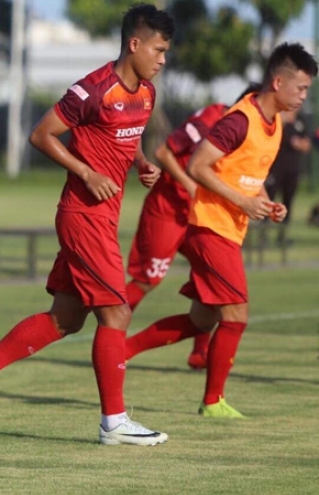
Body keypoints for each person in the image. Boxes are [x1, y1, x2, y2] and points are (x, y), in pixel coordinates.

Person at [0, 3, 173, 446]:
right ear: (134, 44)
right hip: (81, 216)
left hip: (103, 219)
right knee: (117, 311)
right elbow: (41, 134)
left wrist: (144, 164)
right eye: (158, 49)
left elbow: (124, 141)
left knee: (66, 319)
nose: (162, 59)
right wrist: (86, 172)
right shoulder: (92, 88)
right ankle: (113, 422)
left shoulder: (146, 94)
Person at [122, 43, 316, 419]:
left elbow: (247, 176)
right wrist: (242, 203)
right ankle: (212, 401)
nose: (305, 96)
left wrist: (264, 200)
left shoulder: (273, 125)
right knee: (237, 315)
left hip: (227, 230)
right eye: (302, 88)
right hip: (209, 228)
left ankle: (121, 350)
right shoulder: (238, 119)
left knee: (202, 320)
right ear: (278, 82)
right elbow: (198, 165)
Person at [125, 83, 262, 370]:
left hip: (201, 218)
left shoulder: (252, 135)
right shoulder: (215, 119)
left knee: (215, 283)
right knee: (147, 280)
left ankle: (200, 353)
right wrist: (191, 186)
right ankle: (112, 340)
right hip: (169, 210)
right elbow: (164, 152)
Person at [264, 109, 311, 245]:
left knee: (288, 202)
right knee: (269, 201)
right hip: (276, 169)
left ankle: (282, 237)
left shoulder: (300, 120)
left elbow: (306, 144)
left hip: (292, 171)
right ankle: (263, 235)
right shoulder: (278, 118)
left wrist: (300, 144)